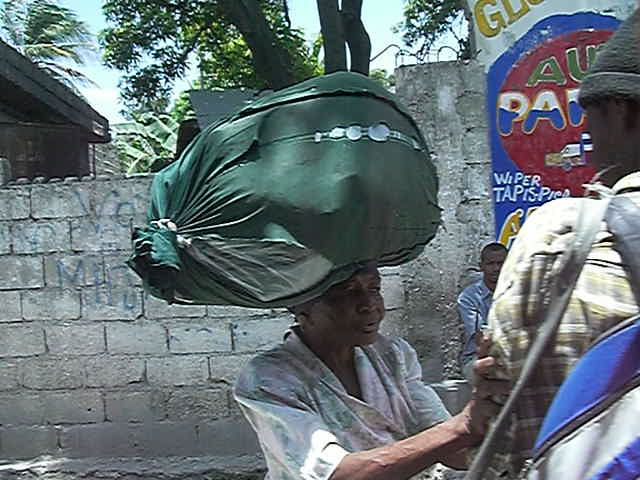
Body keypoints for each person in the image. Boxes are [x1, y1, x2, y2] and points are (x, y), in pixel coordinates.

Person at [483, 8, 640, 478]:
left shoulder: (559, 238)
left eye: (588, 115)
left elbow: (508, 433)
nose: (585, 134)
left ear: (622, 111)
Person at [234, 264, 508, 480]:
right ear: (301, 307)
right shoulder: (269, 379)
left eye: (374, 288)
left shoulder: (393, 356)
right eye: (345, 292)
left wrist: (495, 408)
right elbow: (337, 474)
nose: (369, 304)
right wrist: (463, 425)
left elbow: (449, 448)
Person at [457, 243, 507, 381]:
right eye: (491, 264)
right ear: (481, 266)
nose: (496, 268)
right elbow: (482, 339)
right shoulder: (469, 297)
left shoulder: (516, 291)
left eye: (501, 263)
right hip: (477, 358)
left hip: (512, 355)